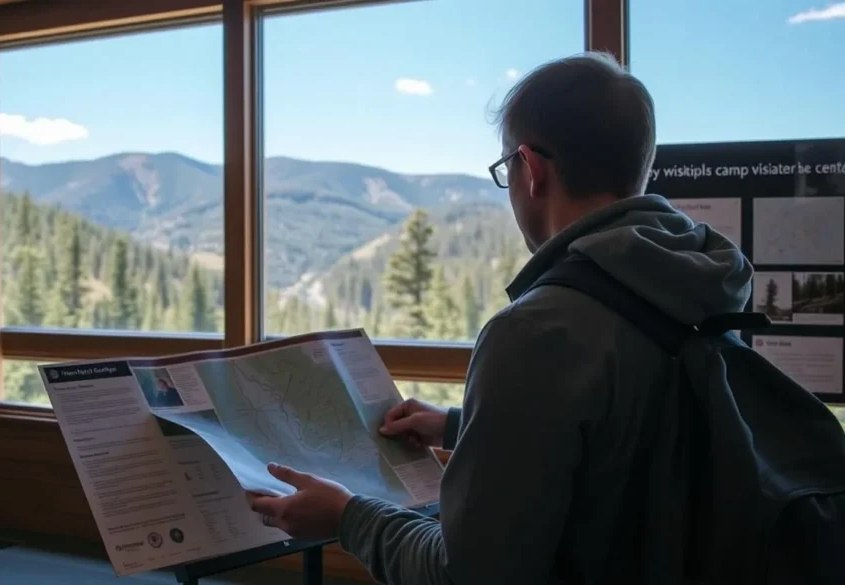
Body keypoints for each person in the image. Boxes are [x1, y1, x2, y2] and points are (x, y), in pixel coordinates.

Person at [249, 51, 754, 584]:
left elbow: (465, 574)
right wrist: (457, 425)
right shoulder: (703, 286)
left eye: (504, 171)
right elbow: (634, 439)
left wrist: (348, 517)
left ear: (532, 170)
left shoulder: (537, 331)